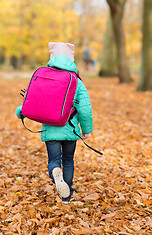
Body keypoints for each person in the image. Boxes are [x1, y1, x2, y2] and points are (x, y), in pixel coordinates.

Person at [15, 42, 94, 204]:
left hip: (50, 130)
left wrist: (20, 111)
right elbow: (85, 109)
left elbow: (35, 101)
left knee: (54, 161)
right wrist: (86, 130)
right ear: (71, 59)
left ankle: (55, 173)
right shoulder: (76, 81)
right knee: (68, 160)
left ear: (52, 58)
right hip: (71, 130)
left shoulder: (43, 75)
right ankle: (67, 196)